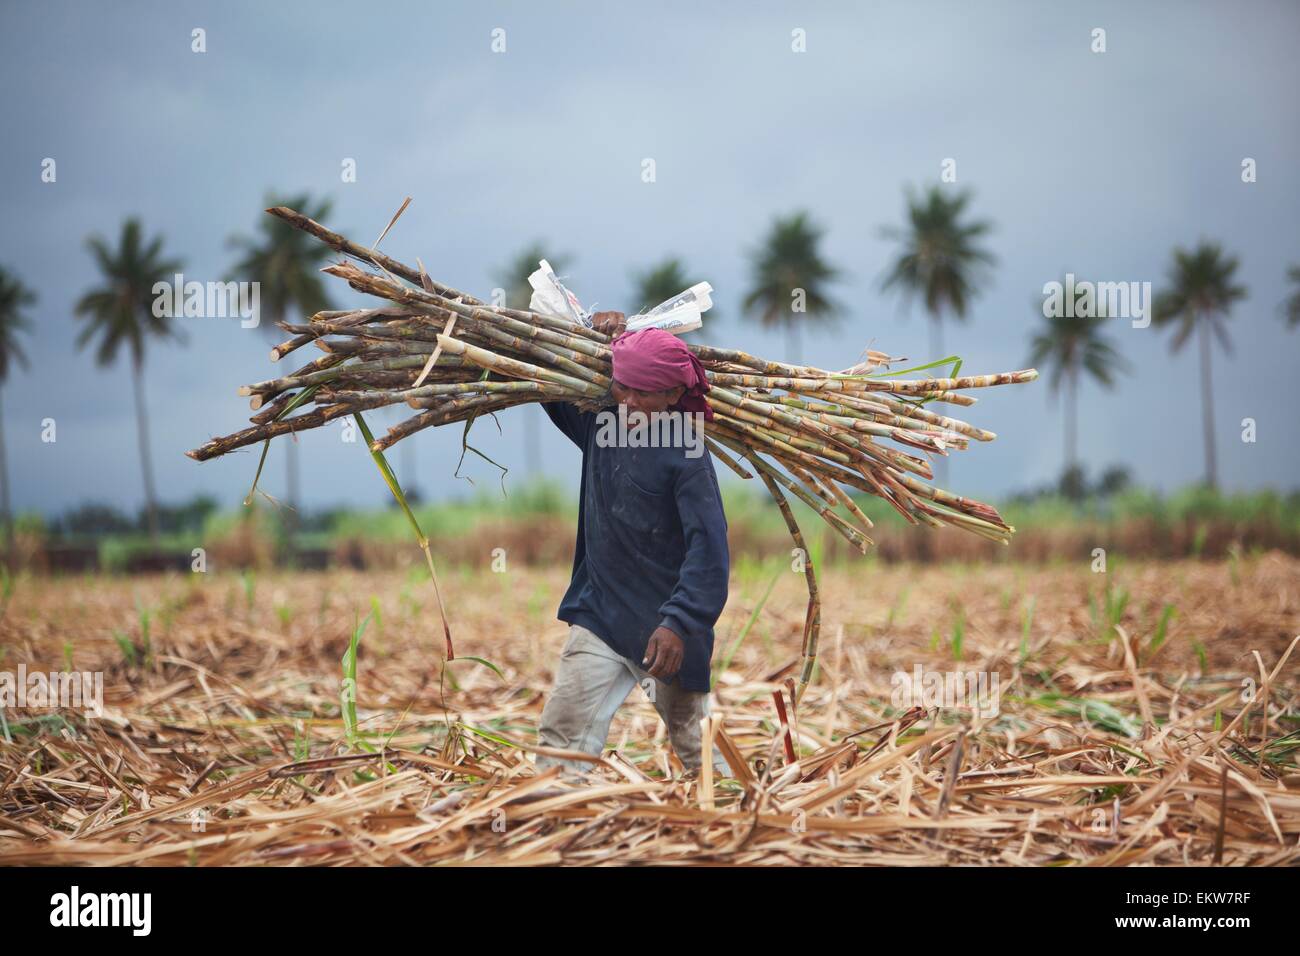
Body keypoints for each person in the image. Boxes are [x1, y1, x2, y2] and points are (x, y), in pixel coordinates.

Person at [535, 311, 732, 777]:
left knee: (693, 740)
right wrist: (584, 332)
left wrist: (680, 623)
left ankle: (733, 818)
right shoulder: (599, 425)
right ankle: (551, 822)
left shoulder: (687, 453)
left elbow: (710, 552)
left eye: (642, 392)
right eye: (622, 386)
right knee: (562, 732)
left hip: (665, 633)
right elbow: (547, 386)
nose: (627, 400)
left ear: (673, 394)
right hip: (599, 614)